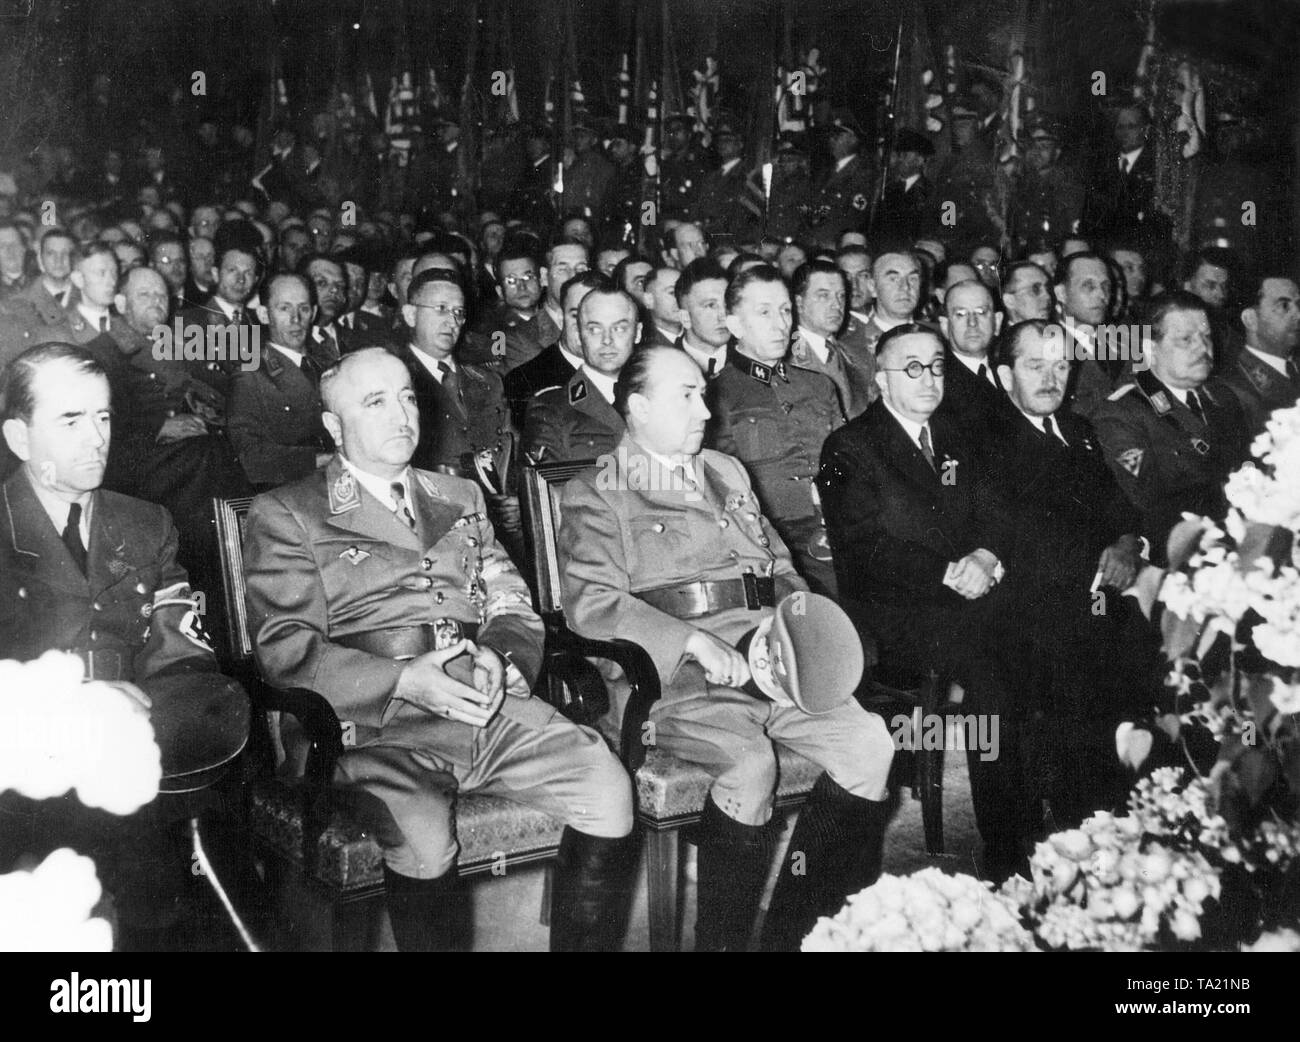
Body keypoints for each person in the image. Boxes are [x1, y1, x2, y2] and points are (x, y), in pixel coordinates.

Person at [241, 346, 634, 951]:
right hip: (369, 728)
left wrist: (498, 659)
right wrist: (401, 682)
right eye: (375, 402)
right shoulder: (289, 511)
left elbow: (509, 600)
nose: (401, 414)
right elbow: (285, 648)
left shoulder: (459, 497)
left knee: (606, 785)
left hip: (483, 705)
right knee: (422, 838)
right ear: (332, 425)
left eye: (406, 397)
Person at [560, 344, 895, 951]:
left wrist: (799, 622)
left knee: (871, 746)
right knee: (750, 765)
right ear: (636, 406)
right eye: (686, 395)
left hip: (773, 658)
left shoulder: (728, 470)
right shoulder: (597, 491)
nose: (705, 411)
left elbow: (781, 566)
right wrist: (688, 638)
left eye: (704, 394)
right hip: (680, 679)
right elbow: (591, 605)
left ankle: (791, 936)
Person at [0, 342, 250, 950]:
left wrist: (141, 709)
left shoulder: (147, 523)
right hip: (19, 788)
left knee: (159, 908)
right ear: (19, 436)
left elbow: (183, 653)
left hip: (136, 773)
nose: (96, 439)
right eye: (70, 420)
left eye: (104, 417)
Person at [818, 324, 1026, 881]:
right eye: (911, 367)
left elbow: (997, 511)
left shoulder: (960, 436)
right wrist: (948, 574)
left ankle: (1057, 810)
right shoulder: (851, 446)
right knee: (995, 671)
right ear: (881, 379)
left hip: (970, 596)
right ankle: (1008, 849)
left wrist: (984, 555)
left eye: (936, 365)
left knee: (1046, 637)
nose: (929, 378)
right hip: (893, 613)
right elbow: (866, 552)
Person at [984, 320, 1160, 826]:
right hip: (1028, 607)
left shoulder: (1078, 430)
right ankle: (1085, 819)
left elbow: (1119, 510)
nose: (1050, 378)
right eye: (1035, 365)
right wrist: (1101, 567)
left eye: (1061, 366)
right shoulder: (987, 443)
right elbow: (1016, 538)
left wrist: (1127, 544)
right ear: (1004, 373)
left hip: (1092, 599)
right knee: (1094, 659)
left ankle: (1133, 805)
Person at [708, 266, 845, 596]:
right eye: (764, 312)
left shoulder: (818, 385)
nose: (781, 324)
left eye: (785, 311)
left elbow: (847, 459)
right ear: (735, 324)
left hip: (838, 526)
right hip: (772, 542)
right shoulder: (715, 396)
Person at [1092, 292, 1250, 564]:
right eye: (1186, 340)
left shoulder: (1222, 398)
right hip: (1178, 559)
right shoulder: (1122, 413)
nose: (1203, 349)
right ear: (1150, 349)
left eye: (1207, 337)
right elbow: (1149, 507)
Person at [228, 273, 333, 489]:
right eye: (284, 308)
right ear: (264, 315)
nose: (296, 319)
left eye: (303, 308)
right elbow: (251, 457)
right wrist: (320, 459)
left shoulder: (325, 368)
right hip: (291, 495)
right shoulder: (251, 375)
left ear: (313, 313)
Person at [523, 286, 636, 463]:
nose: (607, 340)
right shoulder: (551, 410)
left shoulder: (659, 397)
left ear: (639, 333)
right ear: (579, 333)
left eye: (619, 328)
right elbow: (548, 487)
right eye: (595, 329)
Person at [504, 270, 608, 430]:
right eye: (576, 315)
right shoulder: (523, 382)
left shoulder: (634, 373)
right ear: (560, 318)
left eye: (599, 316)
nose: (586, 327)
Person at [1209, 272, 1300, 436]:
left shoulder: (1295, 368)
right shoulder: (1231, 389)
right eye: (1284, 306)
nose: (1298, 315)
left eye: (1298, 305)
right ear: (1250, 319)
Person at [790, 259, 876, 419]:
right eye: (824, 296)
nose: (836, 305)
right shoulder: (786, 359)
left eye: (841, 296)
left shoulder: (858, 357)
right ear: (799, 303)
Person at [1052, 252, 1119, 418]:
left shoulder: (1123, 342)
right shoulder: (1050, 346)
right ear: (1061, 293)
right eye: (1089, 286)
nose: (1102, 295)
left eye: (1106, 286)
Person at [937, 279, 1005, 439]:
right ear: (945, 326)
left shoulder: (1010, 372)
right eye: (960, 314)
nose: (972, 323)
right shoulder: (938, 383)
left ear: (997, 322)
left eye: (981, 312)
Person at [504, 240, 586, 369]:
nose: (573, 276)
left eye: (581, 268)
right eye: (562, 269)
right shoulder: (521, 338)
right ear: (543, 276)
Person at [806, 109, 875, 248]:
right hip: (815, 243)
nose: (831, 140)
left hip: (838, 246)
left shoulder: (863, 174)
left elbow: (855, 218)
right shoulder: (825, 172)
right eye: (831, 136)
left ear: (853, 140)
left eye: (837, 136)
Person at [674, 258, 730, 378]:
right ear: (685, 318)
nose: (723, 316)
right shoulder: (666, 367)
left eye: (727, 304)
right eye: (710, 305)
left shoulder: (751, 358)